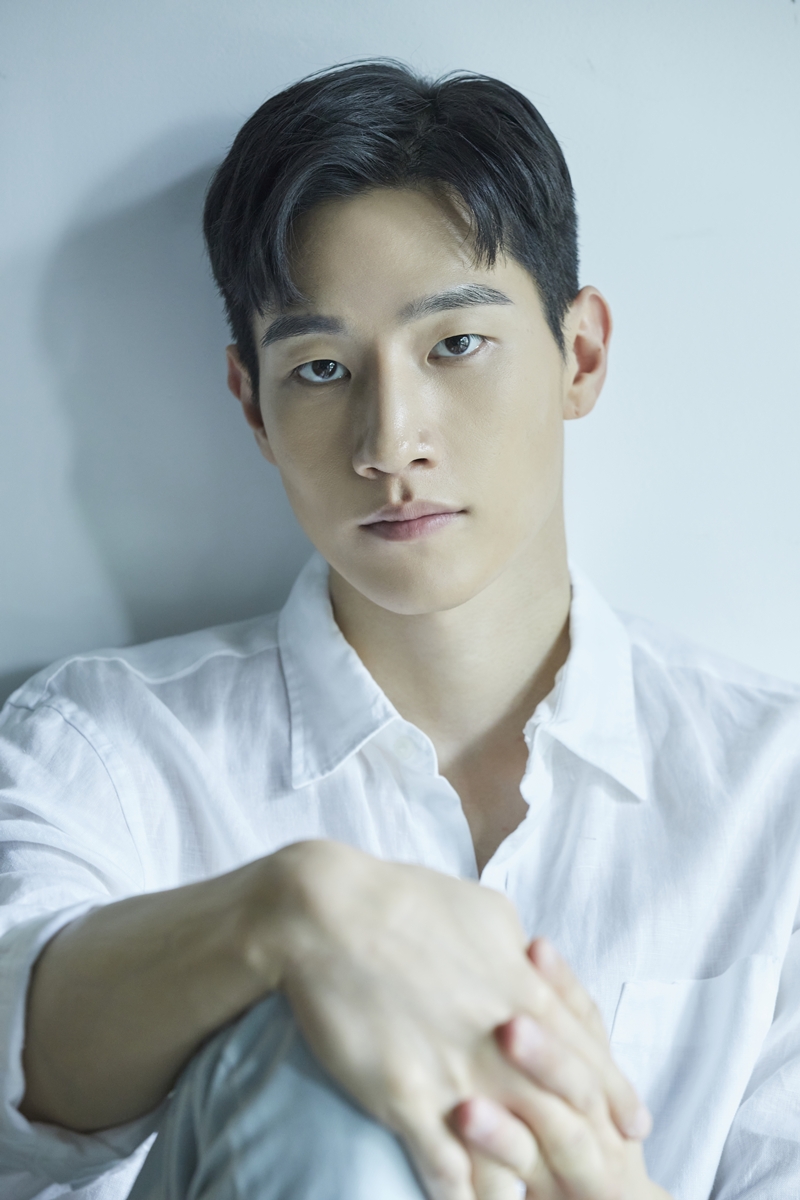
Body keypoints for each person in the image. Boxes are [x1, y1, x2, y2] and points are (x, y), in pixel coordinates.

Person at [1, 59, 799, 1200]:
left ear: (579, 356)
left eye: (454, 345)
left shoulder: (774, 794)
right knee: (315, 1039)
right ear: (253, 405)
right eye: (322, 369)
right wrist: (294, 915)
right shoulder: (105, 749)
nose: (388, 441)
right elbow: (12, 1084)